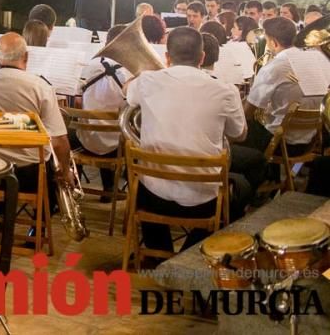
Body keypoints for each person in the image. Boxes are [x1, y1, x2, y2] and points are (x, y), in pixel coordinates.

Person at [124, 27, 248, 254]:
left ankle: (159, 251)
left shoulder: (146, 82)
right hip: (204, 202)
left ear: (167, 57)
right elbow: (239, 134)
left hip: (152, 196)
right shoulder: (226, 90)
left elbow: (127, 93)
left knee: (134, 176)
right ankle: (190, 253)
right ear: (202, 58)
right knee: (241, 190)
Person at [0, 33, 72, 208]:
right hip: (32, 174)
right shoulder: (41, 87)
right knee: (54, 174)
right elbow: (60, 140)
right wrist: (65, 169)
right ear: (26, 57)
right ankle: (39, 227)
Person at [241, 17, 330, 154]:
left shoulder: (275, 66)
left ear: (274, 42)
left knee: (235, 126)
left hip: (279, 144)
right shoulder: (320, 58)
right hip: (311, 142)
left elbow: (248, 112)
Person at [73, 23, 128, 196]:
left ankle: (74, 184)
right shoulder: (131, 72)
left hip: (86, 141)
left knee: (67, 130)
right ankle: (110, 188)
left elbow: (76, 102)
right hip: (119, 146)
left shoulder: (89, 65)